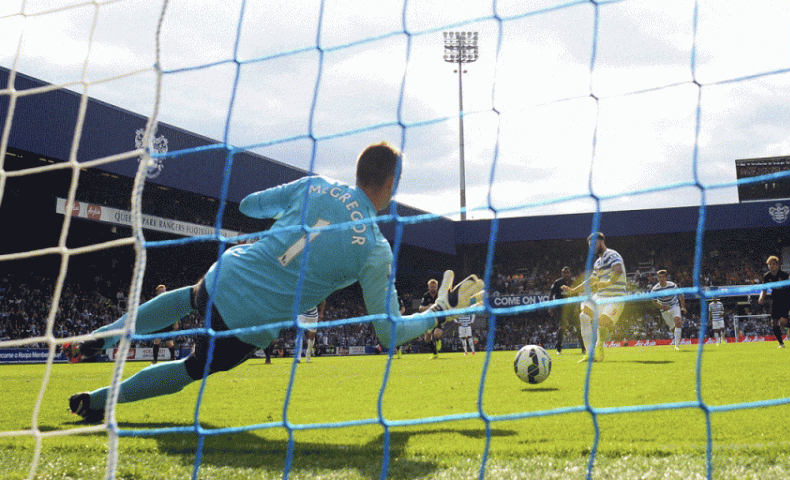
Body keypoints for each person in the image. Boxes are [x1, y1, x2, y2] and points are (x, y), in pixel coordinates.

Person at [61, 141, 484, 423]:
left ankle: (100, 336)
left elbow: (249, 204)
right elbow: (387, 334)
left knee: (189, 299)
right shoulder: (375, 249)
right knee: (191, 366)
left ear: (358, 173)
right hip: (250, 323)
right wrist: (436, 313)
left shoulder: (316, 185)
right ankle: (98, 402)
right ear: (392, 184)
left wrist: (286, 216)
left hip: (229, 274)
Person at [561, 232, 627, 363]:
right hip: (600, 297)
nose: (592, 247)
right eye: (590, 245)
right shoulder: (598, 263)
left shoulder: (612, 255)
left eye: (594, 244)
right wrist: (574, 290)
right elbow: (592, 280)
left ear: (601, 242)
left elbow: (618, 270)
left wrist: (607, 282)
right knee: (583, 316)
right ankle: (589, 354)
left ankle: (599, 345)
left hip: (615, 298)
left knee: (602, 324)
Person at [757, 256, 790, 348]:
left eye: (773, 264)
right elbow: (764, 290)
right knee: (774, 322)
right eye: (769, 264)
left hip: (787, 298)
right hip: (775, 299)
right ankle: (781, 343)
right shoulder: (767, 276)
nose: (771, 266)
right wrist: (761, 298)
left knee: (783, 322)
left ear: (777, 265)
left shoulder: (785, 275)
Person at [549, 266, 583, 355]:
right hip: (561, 310)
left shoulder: (573, 282)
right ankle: (559, 349)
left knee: (579, 328)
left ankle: (583, 348)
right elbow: (551, 294)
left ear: (570, 273)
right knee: (562, 328)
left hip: (572, 309)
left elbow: (577, 296)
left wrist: (578, 308)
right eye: (564, 272)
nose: (566, 274)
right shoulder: (557, 283)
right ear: (562, 273)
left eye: (567, 272)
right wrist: (550, 306)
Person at [650, 270, 687, 350]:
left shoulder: (672, 285)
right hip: (664, 309)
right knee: (673, 329)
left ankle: (676, 346)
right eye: (660, 277)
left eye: (663, 277)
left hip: (674, 305)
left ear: (666, 278)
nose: (661, 279)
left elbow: (681, 295)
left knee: (678, 321)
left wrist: (683, 307)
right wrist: (663, 307)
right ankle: (677, 338)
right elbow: (654, 302)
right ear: (658, 278)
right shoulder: (655, 289)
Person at [149, 284, 180, 363]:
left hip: (167, 323)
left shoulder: (169, 299)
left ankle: (173, 358)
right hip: (158, 324)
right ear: (157, 292)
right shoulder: (154, 301)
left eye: (163, 290)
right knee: (157, 341)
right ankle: (154, 360)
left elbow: (174, 312)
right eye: (160, 291)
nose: (162, 292)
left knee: (169, 343)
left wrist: (176, 323)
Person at [418, 278, 443, 359]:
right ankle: (435, 353)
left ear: (437, 287)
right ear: (428, 287)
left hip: (439, 318)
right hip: (429, 319)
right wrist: (428, 307)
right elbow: (420, 308)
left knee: (436, 334)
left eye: (434, 286)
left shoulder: (440, 295)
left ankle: (438, 340)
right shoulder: (426, 296)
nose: (433, 288)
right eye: (431, 287)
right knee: (427, 339)